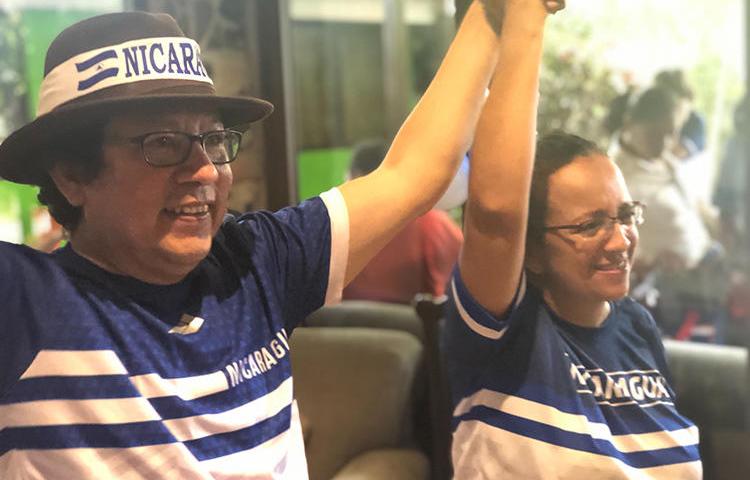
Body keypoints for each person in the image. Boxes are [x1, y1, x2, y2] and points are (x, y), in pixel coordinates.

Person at [0, 2, 566, 477]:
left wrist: (497, 11)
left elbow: (412, 175)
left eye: (215, 141)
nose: (206, 171)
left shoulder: (256, 263)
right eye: (163, 143)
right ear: (71, 174)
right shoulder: (27, 303)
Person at [441, 2, 702, 478]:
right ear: (533, 252)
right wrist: (525, 19)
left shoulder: (636, 327)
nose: (621, 240)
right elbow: (496, 212)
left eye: (626, 215)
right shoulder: (503, 330)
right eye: (589, 225)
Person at [342, 139, 463, 303]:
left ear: (356, 176)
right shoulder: (433, 223)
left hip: (343, 326)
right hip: (417, 326)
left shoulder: (337, 229)